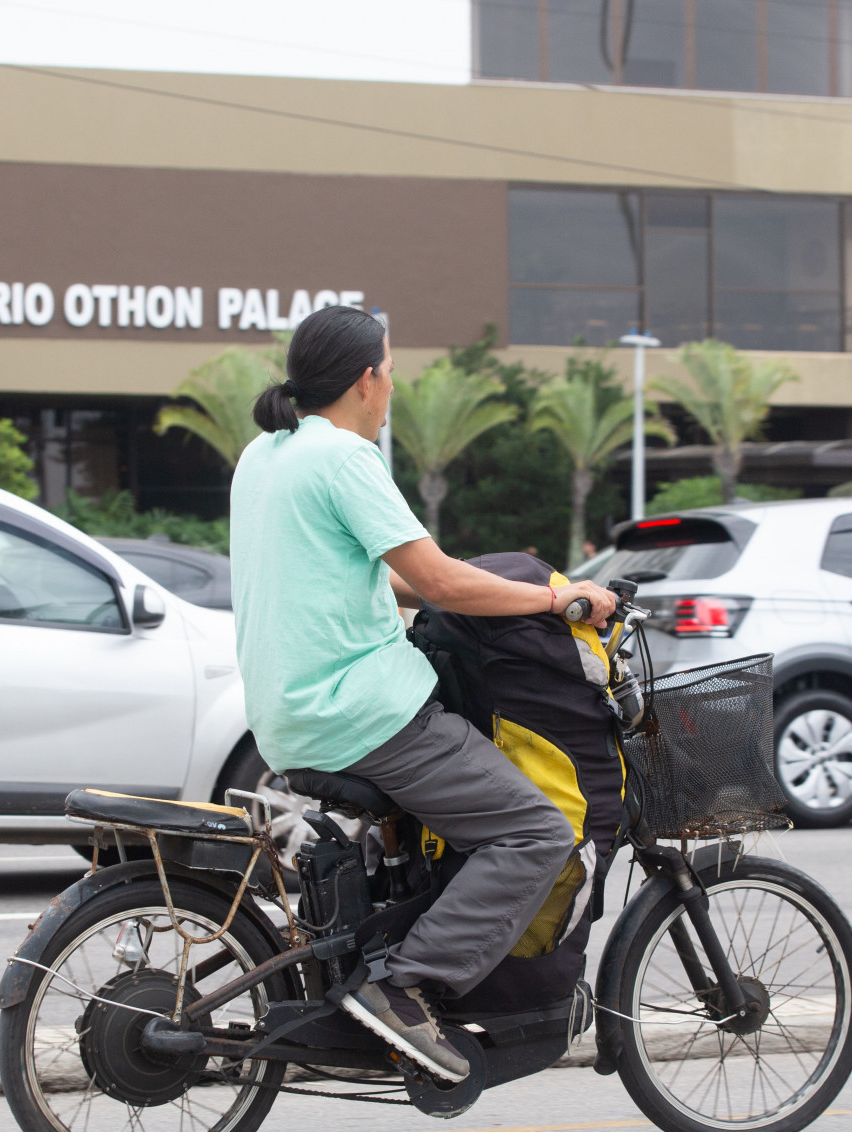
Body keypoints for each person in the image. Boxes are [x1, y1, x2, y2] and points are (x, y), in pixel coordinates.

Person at [228, 305, 616, 1081]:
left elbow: (395, 575)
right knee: (537, 833)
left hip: (286, 714)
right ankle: (405, 987)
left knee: (448, 818)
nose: (392, 388)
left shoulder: (265, 456)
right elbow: (438, 577)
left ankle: (384, 945)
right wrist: (554, 598)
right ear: (368, 379)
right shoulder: (343, 457)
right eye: (392, 372)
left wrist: (459, 591)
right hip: (363, 713)